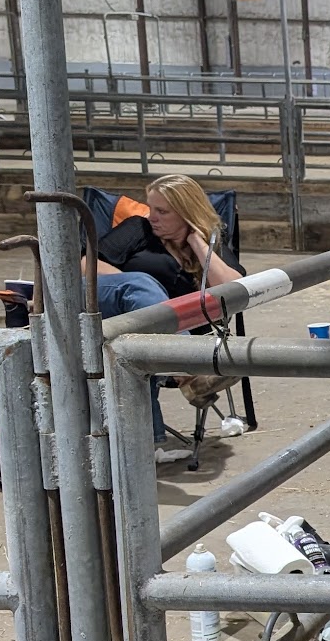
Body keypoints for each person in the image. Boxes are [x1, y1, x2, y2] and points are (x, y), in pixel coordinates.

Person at [91, 175, 245, 464]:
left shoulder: (210, 244)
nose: (152, 217)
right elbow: (87, 264)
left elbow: (233, 291)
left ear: (187, 212)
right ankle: (188, 369)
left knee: (137, 340)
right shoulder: (138, 229)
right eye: (151, 208)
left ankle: (145, 446)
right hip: (114, 309)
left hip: (139, 334)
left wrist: (197, 243)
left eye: (163, 211)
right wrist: (142, 289)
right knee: (140, 285)